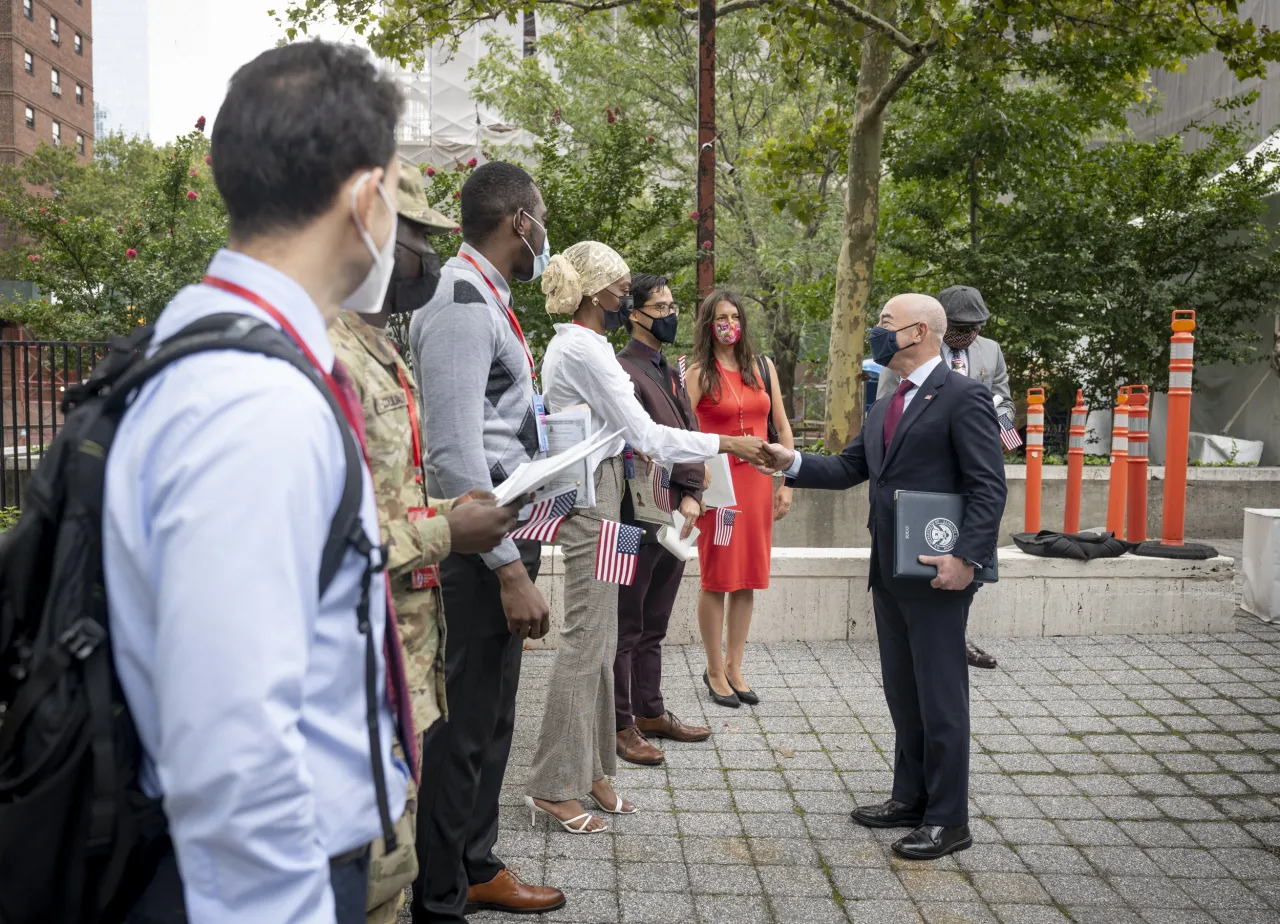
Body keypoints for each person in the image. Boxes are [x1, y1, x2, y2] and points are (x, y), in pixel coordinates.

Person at [103, 41, 414, 921]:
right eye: (393, 188)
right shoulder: (254, 404)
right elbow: (232, 750)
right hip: (275, 880)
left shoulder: (231, 354)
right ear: (364, 197)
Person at [327, 158, 524, 924]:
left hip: (397, 659)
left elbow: (387, 491)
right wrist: (452, 529)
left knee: (389, 861)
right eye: (414, 237)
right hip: (353, 670)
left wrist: (448, 512)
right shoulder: (321, 354)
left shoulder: (372, 346)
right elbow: (315, 533)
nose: (425, 258)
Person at [526, 242, 770, 835]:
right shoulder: (583, 348)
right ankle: (553, 785)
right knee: (588, 638)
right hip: (594, 499)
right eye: (620, 289)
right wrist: (727, 445)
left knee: (607, 630)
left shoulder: (585, 346)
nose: (625, 297)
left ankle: (593, 770)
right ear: (595, 294)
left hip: (609, 489)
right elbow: (649, 435)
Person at [760, 293, 1007, 860]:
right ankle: (911, 798)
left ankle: (949, 820)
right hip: (890, 572)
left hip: (940, 572)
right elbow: (852, 468)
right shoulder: (888, 400)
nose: (876, 331)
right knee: (904, 692)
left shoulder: (964, 396)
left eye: (884, 324)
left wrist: (965, 558)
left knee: (941, 696)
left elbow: (989, 486)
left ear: (918, 332)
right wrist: (788, 463)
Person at [410, 162, 564, 920]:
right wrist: (507, 569)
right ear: (518, 224)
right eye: (541, 216)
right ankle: (439, 896)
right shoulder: (462, 302)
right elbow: (452, 452)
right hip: (480, 554)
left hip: (504, 537)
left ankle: (474, 865)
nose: (544, 231)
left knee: (490, 720)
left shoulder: (488, 300)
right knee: (463, 727)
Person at [875, 284, 1012, 670]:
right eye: (961, 327)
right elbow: (890, 403)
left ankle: (956, 634)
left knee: (965, 567)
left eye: (976, 327)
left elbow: (1004, 397)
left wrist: (999, 426)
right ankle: (937, 636)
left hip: (966, 476)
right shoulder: (906, 356)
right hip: (918, 482)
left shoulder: (990, 351)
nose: (969, 335)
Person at [613, 273, 712, 766]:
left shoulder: (669, 368)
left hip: (673, 512)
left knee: (654, 623)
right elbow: (650, 438)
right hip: (634, 514)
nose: (671, 314)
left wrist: (692, 489)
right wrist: (688, 490)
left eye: (673, 305)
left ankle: (651, 712)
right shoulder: (623, 370)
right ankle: (620, 723)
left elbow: (689, 429)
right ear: (634, 314)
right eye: (660, 307)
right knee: (626, 624)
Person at [685, 290, 794, 709]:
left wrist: (789, 482)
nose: (729, 324)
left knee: (747, 576)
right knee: (717, 577)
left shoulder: (763, 367)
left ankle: (735, 666)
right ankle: (714, 669)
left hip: (758, 485)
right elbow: (684, 435)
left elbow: (782, 427)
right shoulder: (697, 373)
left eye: (735, 316)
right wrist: (694, 481)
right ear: (708, 325)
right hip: (720, 488)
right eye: (720, 317)